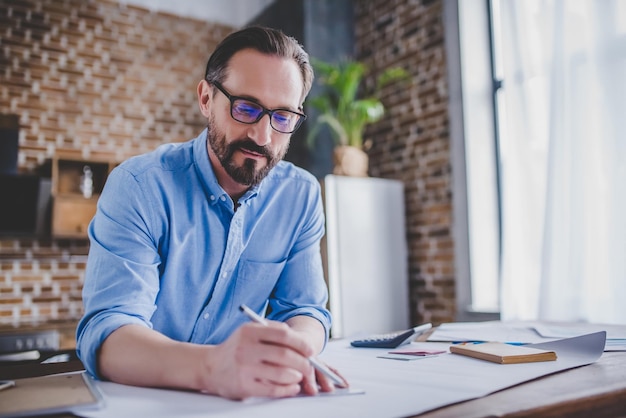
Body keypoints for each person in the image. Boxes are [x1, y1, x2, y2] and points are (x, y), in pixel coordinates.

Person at [76, 26, 348, 400]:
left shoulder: (299, 196)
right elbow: (108, 334)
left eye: (283, 117)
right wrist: (212, 366)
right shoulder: (139, 186)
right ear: (206, 98)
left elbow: (305, 310)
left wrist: (294, 350)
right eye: (246, 108)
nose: (263, 136)